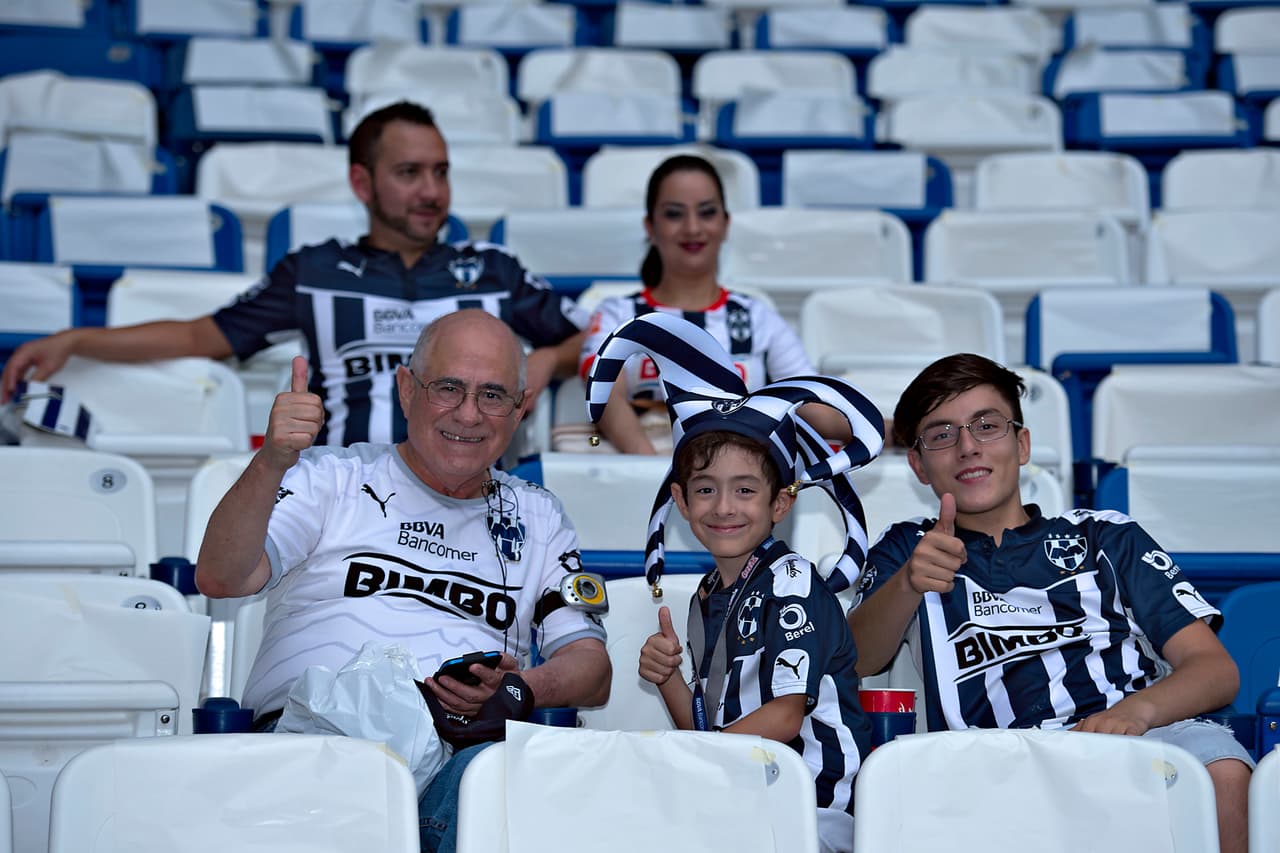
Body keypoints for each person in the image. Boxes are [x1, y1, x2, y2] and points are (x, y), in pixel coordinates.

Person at [196, 309, 611, 853]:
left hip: (461, 760)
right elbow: (221, 578)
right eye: (448, 388)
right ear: (406, 389)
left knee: (516, 786)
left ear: (520, 409)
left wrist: (519, 689)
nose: (468, 414)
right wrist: (273, 460)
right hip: (318, 744)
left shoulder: (539, 516)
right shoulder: (329, 478)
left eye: (491, 395)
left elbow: (593, 669)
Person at [846, 353, 1252, 853]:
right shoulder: (907, 547)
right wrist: (908, 583)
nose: (968, 447)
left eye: (987, 426)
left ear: (1022, 445)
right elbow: (858, 659)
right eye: (942, 434)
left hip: (1131, 741)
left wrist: (1136, 712)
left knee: (1222, 769)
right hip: (990, 765)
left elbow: (1215, 670)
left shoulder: (1106, 536)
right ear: (919, 465)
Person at [0, 101, 586, 446]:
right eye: (409, 172)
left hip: (475, 490)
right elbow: (197, 337)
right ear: (363, 183)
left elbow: (600, 337)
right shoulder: (314, 271)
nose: (431, 192)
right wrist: (76, 339)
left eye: (440, 172)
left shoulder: (492, 271)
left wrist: (548, 359)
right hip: (348, 495)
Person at [585, 311, 887, 853]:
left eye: (745, 490)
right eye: (705, 490)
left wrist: (688, 766)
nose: (723, 507)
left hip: (810, 818)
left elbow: (785, 715)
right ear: (679, 501)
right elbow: (701, 728)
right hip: (736, 802)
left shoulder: (792, 578)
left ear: (781, 502)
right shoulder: (708, 594)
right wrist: (669, 679)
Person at [575, 154, 848, 454]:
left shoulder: (757, 316)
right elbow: (605, 397)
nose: (693, 228)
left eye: (706, 212)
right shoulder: (617, 314)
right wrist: (660, 476)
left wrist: (886, 430)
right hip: (644, 469)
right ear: (650, 227)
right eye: (674, 214)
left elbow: (809, 405)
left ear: (725, 224)